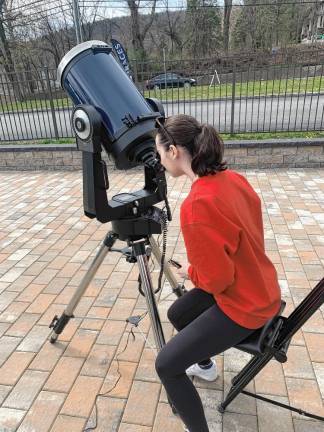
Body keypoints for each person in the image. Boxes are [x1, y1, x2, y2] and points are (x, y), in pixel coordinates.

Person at [154, 114, 281, 432]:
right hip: (262, 288)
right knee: (179, 313)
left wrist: (192, 272)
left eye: (159, 154)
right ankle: (206, 367)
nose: (159, 162)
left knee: (166, 366)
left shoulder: (197, 205)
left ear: (173, 152)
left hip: (245, 306)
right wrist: (200, 270)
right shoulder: (233, 178)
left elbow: (216, 281)